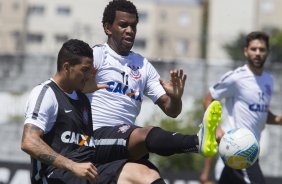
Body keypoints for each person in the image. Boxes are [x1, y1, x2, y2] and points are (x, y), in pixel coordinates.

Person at [84, 0, 222, 183]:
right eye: (123, 25)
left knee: (151, 176)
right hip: (94, 140)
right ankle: (196, 142)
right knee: (142, 134)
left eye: (133, 26)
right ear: (108, 28)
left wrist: (175, 97)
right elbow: (70, 86)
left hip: (122, 145)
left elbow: (172, 110)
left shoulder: (142, 65)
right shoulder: (97, 56)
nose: (130, 30)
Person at [199, 31, 282, 184]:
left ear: (267, 52)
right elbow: (208, 99)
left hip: (247, 153)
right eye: (253, 49)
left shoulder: (268, 80)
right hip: (239, 149)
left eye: (262, 49)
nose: (257, 53)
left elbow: (262, 113)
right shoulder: (236, 77)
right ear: (246, 51)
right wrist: (216, 128)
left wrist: (278, 119)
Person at [21, 39, 99, 184]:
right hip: (53, 178)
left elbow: (84, 143)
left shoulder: (83, 100)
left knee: (135, 170)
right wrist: (73, 166)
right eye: (85, 70)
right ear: (67, 67)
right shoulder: (46, 94)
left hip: (80, 175)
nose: (88, 76)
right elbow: (28, 141)